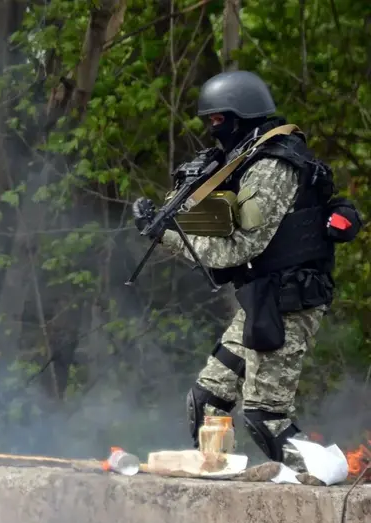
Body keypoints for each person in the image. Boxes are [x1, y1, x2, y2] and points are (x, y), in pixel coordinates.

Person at [130, 70, 362, 472]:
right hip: (263, 299)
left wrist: (170, 236)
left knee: (267, 418)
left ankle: (329, 477)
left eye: (219, 120)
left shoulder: (274, 164)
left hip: (289, 301)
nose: (213, 130)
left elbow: (240, 248)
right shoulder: (244, 157)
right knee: (208, 401)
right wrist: (175, 218)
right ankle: (215, 476)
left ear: (242, 115)